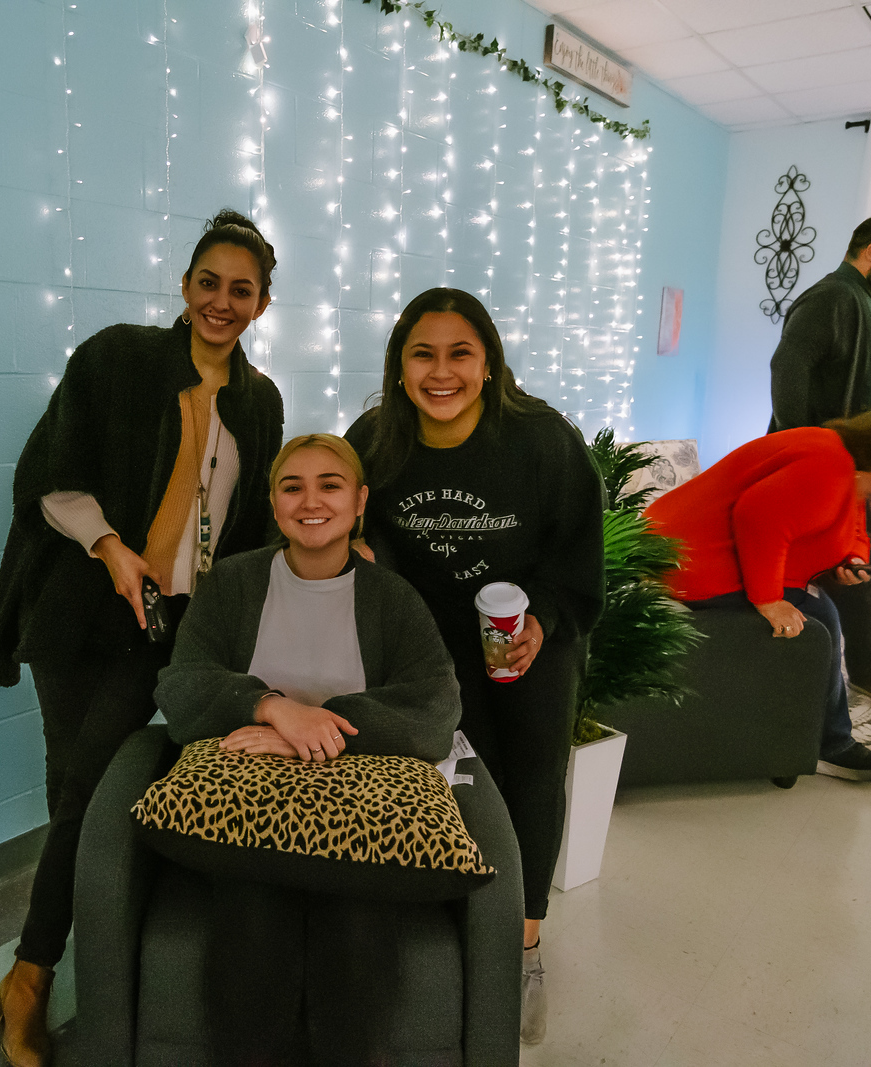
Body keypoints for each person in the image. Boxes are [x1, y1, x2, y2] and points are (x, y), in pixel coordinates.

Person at [0, 210, 284, 1067]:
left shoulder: (259, 401)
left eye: (241, 290)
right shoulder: (115, 357)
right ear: (184, 285)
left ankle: (43, 967)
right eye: (208, 283)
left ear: (262, 303)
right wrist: (112, 548)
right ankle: (52, 966)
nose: (221, 302)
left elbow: (250, 526)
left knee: (86, 792)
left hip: (168, 628)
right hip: (80, 611)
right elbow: (48, 473)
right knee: (75, 788)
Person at [344, 288, 605, 1048]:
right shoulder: (375, 441)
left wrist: (542, 620)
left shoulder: (543, 442)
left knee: (528, 783)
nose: (441, 372)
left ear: (488, 362)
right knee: (437, 782)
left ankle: (523, 949)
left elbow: (576, 554)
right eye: (422, 354)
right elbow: (350, 526)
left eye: (460, 353)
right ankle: (443, 922)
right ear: (398, 366)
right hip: (424, 651)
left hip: (524, 646)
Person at [155, 433, 462, 1066]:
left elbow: (436, 708)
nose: (311, 501)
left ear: (360, 501)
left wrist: (312, 732)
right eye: (292, 487)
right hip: (247, 811)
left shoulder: (393, 598)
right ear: (273, 503)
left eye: (330, 485)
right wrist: (273, 707)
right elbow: (179, 684)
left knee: (356, 928)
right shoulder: (232, 583)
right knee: (251, 924)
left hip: (361, 815)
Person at [644, 410, 871, 781]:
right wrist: (768, 600)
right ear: (870, 459)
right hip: (691, 561)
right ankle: (824, 744)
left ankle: (803, 743)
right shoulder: (827, 466)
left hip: (703, 552)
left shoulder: (843, 462)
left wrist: (854, 559)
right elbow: (757, 515)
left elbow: (853, 524)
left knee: (820, 612)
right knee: (817, 623)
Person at [769, 211, 871, 712]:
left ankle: (862, 667)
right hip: (836, 466)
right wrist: (805, 450)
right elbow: (789, 367)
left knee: (859, 564)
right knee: (863, 566)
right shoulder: (835, 297)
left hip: (860, 469)